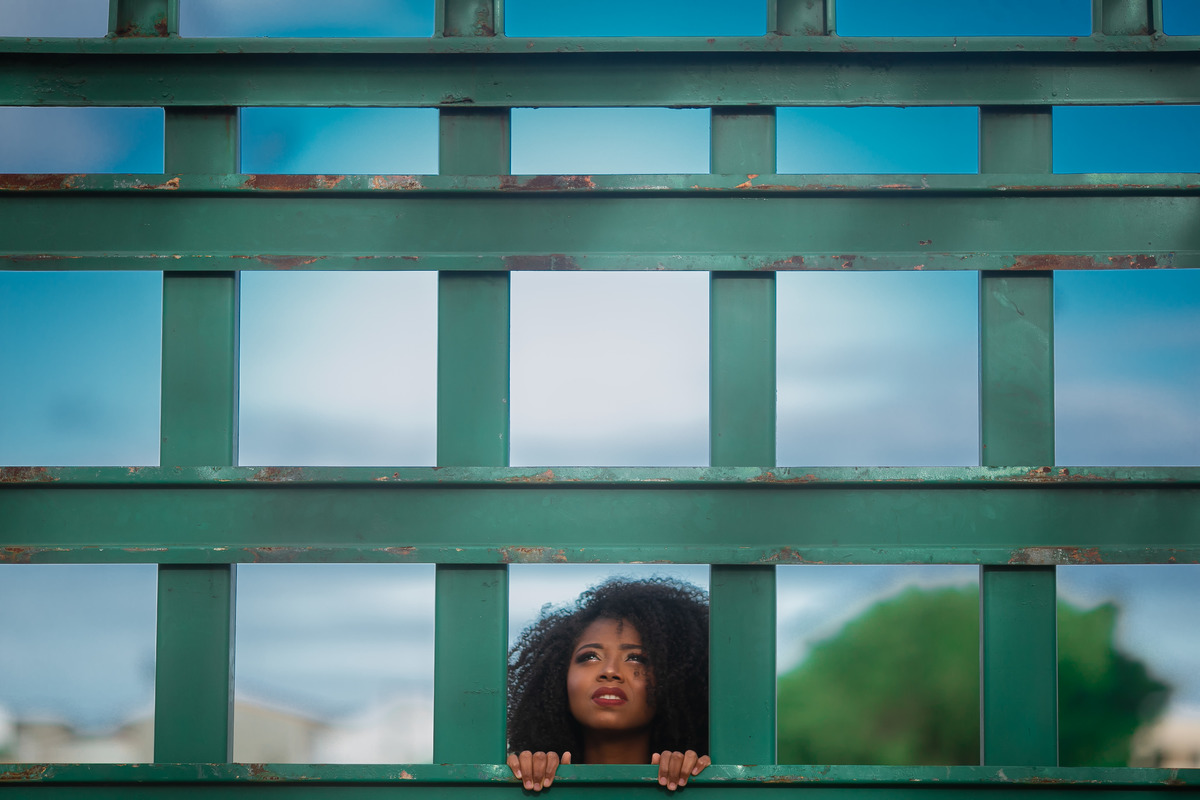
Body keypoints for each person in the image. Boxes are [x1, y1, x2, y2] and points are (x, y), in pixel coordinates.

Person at [506, 576, 711, 792]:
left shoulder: (708, 783)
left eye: (636, 658)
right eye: (590, 657)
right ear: (558, 677)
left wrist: (704, 783)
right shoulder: (521, 781)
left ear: (676, 680)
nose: (610, 671)